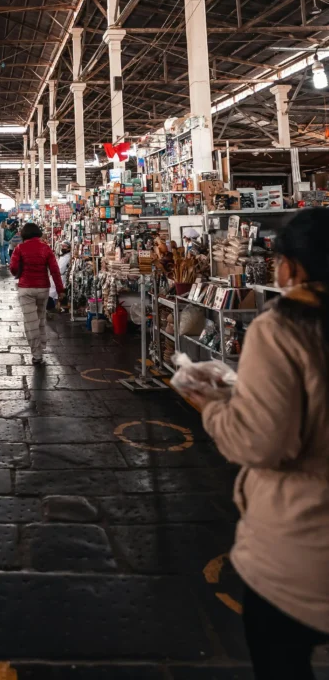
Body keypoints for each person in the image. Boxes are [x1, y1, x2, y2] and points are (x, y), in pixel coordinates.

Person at [192, 209, 329, 679]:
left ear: (291, 266)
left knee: (282, 661)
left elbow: (260, 443)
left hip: (303, 550)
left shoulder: (284, 327)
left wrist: (210, 406)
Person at [10, 222, 64, 364]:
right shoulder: (45, 248)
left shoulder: (19, 248)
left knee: (31, 322)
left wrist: (20, 272)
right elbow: (55, 270)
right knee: (40, 319)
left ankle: (37, 354)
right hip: (43, 289)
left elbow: (13, 268)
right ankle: (42, 346)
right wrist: (60, 290)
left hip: (26, 289)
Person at [47, 240, 72, 312]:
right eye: (62, 246)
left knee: (56, 293)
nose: (63, 248)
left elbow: (61, 268)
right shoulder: (63, 255)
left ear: (69, 248)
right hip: (56, 276)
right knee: (52, 292)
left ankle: (54, 307)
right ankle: (54, 306)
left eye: (65, 246)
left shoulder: (68, 256)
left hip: (60, 276)